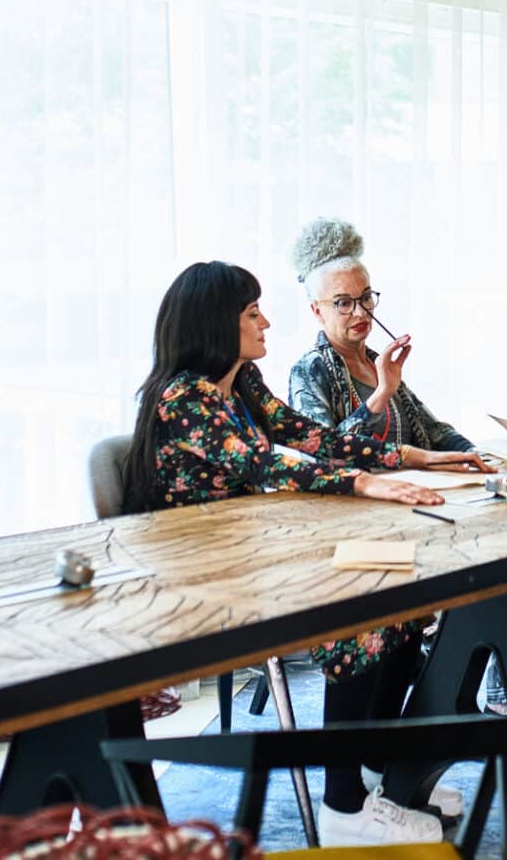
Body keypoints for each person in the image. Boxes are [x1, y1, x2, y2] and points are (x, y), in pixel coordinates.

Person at [121, 261, 480, 846]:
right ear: (216, 323)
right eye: (251, 312)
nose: (266, 320)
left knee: (406, 594)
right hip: (200, 576)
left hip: (251, 550)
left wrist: (414, 457)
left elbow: (312, 438)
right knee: (359, 614)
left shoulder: (241, 383)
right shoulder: (182, 398)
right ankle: (343, 807)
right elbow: (260, 461)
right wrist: (362, 483)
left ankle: (373, 769)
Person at [287, 218, 482, 457]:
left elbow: (435, 432)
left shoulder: (377, 362)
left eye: (366, 297)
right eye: (344, 303)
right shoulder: (309, 370)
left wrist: (476, 455)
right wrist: (381, 395)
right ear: (317, 311)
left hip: (412, 489)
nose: (360, 312)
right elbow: (323, 453)